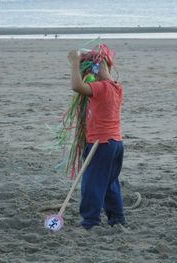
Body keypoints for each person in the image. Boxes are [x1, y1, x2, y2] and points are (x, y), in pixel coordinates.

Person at [67, 46, 125, 230]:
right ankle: (117, 219)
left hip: (101, 144)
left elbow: (77, 87)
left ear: (95, 68)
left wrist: (74, 64)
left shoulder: (102, 88)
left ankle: (90, 222)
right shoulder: (116, 87)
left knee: (92, 183)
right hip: (116, 143)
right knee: (109, 183)